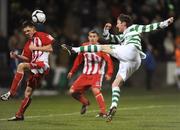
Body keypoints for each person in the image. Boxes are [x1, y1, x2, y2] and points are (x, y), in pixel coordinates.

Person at [61, 14, 174, 122]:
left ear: (124, 23)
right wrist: (105, 30)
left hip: (131, 50)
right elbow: (109, 37)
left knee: (102, 47)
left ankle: (74, 49)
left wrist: (165, 23)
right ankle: (113, 106)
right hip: (133, 62)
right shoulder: (123, 35)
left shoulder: (133, 28)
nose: (117, 25)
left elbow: (149, 27)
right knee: (116, 84)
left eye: (118, 23)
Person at [0, 21, 54, 121]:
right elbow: (26, 57)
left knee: (21, 66)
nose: (26, 33)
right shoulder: (29, 42)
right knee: (28, 93)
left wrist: (35, 48)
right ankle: (19, 115)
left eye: (28, 30)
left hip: (42, 65)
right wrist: (16, 56)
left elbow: (50, 48)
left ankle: (11, 93)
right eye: (25, 32)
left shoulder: (42, 35)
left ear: (33, 28)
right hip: (35, 69)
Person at [67, 30, 113, 118]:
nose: (92, 38)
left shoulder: (102, 48)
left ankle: (103, 112)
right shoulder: (84, 46)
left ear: (97, 38)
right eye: (90, 36)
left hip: (97, 74)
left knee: (95, 90)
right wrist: (72, 71)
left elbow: (109, 61)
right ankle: (85, 103)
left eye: (94, 36)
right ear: (88, 37)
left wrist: (109, 73)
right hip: (85, 75)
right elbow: (78, 60)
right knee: (72, 92)